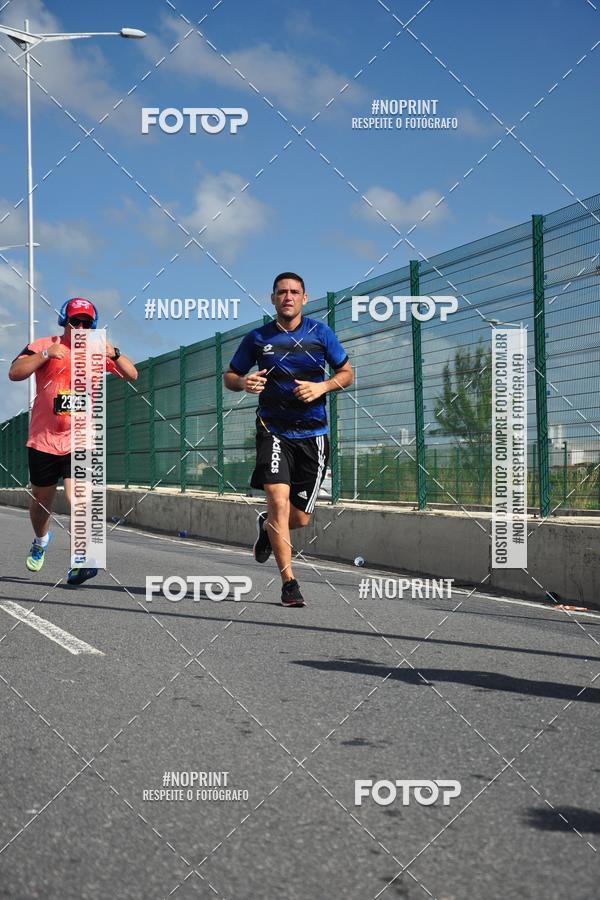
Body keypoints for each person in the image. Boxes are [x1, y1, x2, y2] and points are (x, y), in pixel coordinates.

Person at [224, 273, 353, 607]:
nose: (288, 297)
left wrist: (322, 387)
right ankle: (289, 583)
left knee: (299, 518)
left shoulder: (321, 333)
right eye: (282, 292)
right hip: (273, 429)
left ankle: (266, 527)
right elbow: (230, 376)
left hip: (314, 435)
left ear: (305, 298)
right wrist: (244, 383)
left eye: (294, 292)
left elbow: (347, 373)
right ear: (272, 299)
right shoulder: (258, 337)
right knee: (278, 501)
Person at [8, 297, 138, 585]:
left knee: (77, 497)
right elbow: (14, 373)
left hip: (80, 438)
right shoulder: (44, 343)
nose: (79, 327)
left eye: (86, 323)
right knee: (41, 503)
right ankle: (41, 540)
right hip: (43, 439)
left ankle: (84, 560)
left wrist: (114, 353)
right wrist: (44, 354)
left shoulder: (96, 351)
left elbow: (132, 374)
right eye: (74, 321)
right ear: (63, 321)